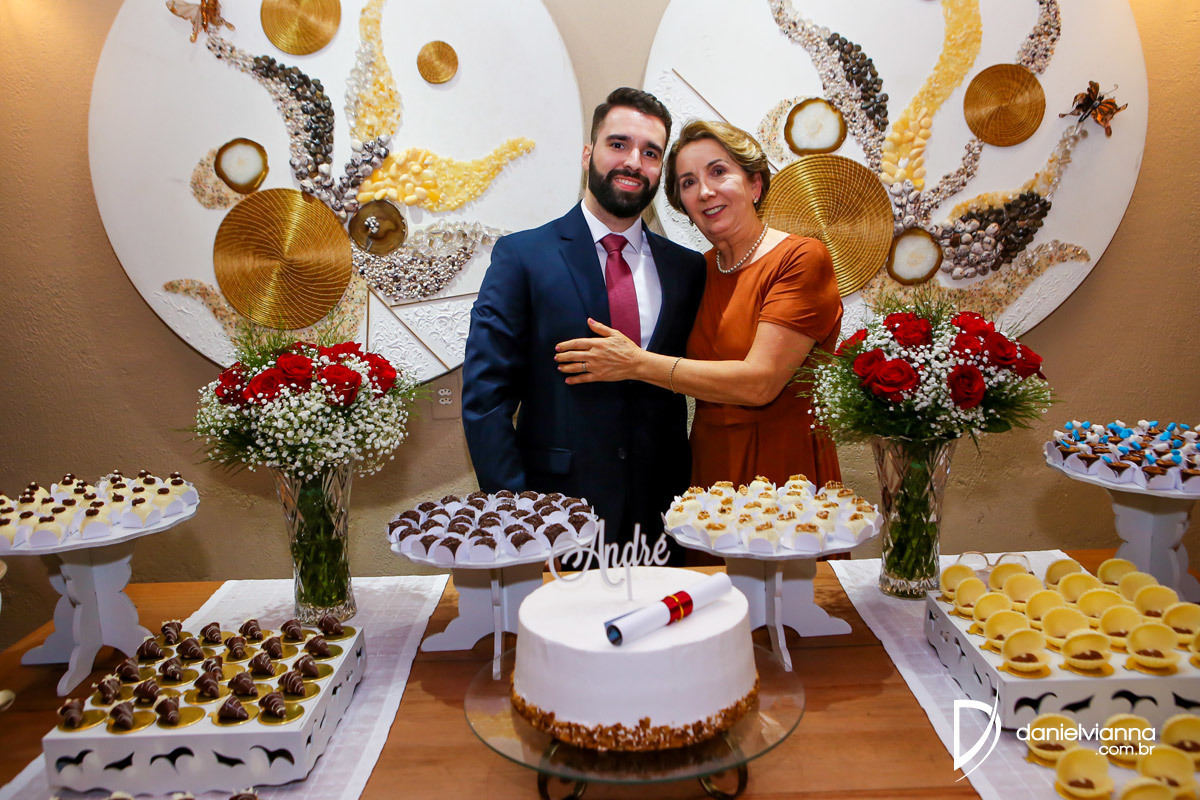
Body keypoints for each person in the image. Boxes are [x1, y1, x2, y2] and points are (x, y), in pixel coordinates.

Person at [462, 89, 707, 555]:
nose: (633, 161)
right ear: (587, 154)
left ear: (660, 169)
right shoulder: (522, 257)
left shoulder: (687, 268)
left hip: (665, 517)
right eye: (618, 144)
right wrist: (518, 518)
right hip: (554, 516)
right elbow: (486, 400)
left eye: (650, 152)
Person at [554, 120, 842, 489]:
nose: (705, 191)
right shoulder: (696, 270)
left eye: (718, 172)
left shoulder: (800, 258)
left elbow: (760, 384)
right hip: (707, 465)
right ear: (683, 205)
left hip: (782, 467)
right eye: (688, 182)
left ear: (754, 185)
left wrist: (636, 363)